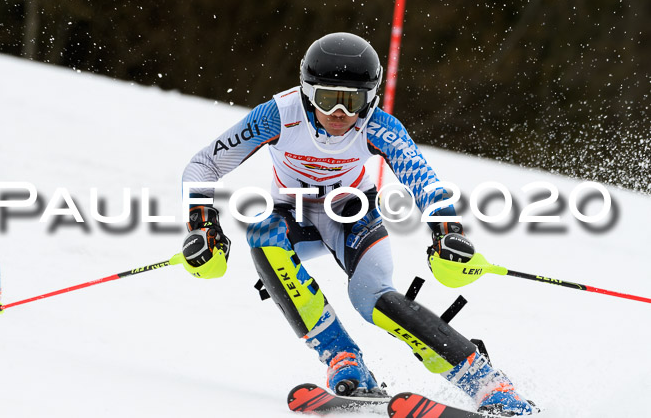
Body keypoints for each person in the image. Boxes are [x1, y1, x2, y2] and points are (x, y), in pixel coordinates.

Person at [180, 32, 536, 416]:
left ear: (370, 99)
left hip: (351, 212)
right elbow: (205, 164)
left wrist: (446, 230)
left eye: (352, 101)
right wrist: (202, 224)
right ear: (305, 92)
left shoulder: (379, 125)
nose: (340, 113)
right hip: (292, 213)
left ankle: (487, 383)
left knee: (371, 297)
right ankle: (344, 360)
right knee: (263, 235)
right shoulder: (279, 115)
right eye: (326, 98)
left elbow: (423, 180)